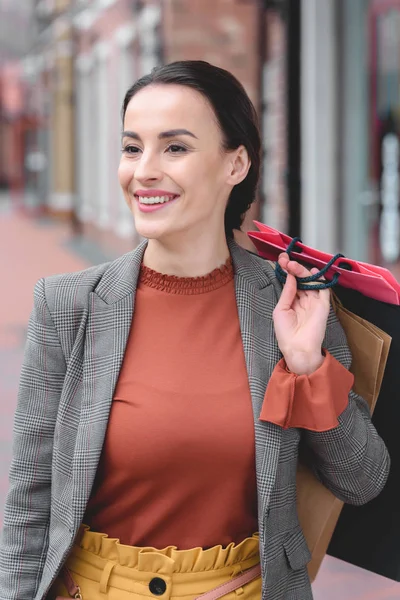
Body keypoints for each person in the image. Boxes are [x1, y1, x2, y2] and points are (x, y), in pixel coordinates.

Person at [0, 60, 390, 600]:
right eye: (133, 147)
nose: (144, 171)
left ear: (235, 164)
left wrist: (308, 367)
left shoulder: (290, 305)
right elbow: (29, 502)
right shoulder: (70, 306)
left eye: (175, 148)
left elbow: (362, 480)